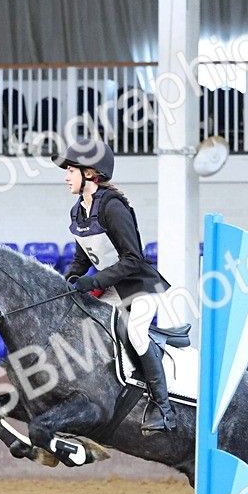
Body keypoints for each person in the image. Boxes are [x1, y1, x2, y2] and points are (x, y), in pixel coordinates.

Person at [53, 138, 176, 433]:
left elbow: (134, 259)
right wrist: (70, 279)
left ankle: (164, 408)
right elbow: (82, 257)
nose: (66, 176)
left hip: (137, 286)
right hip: (111, 288)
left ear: (90, 174)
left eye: (71, 170)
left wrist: (94, 281)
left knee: (135, 333)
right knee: (82, 330)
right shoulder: (78, 211)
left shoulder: (113, 207)